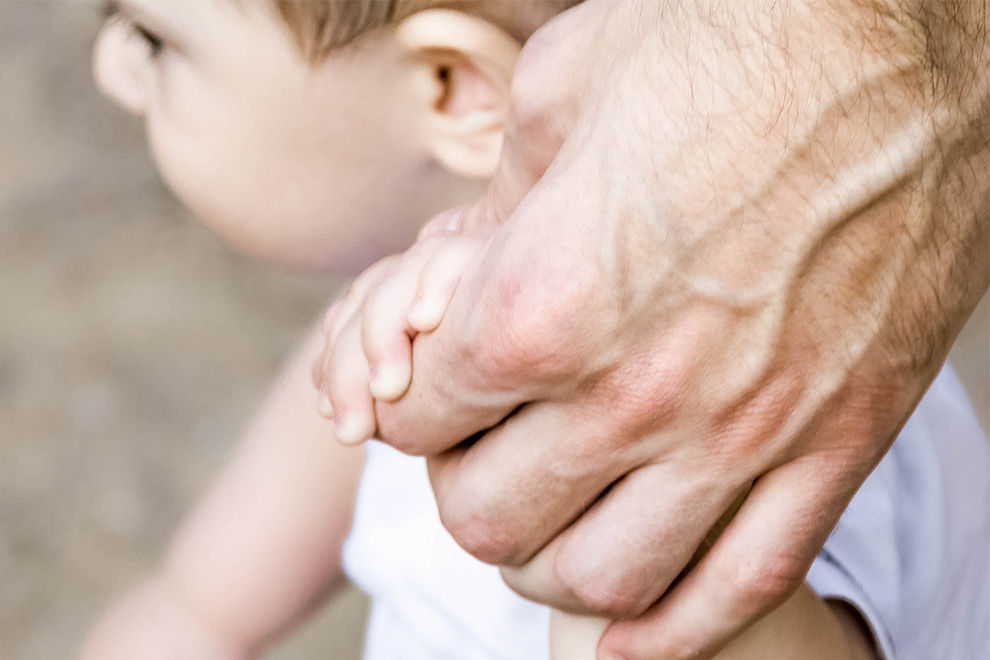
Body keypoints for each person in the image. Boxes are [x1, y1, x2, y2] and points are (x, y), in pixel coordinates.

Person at [78, 1, 986, 659]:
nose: (109, 70)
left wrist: (644, 547)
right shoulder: (386, 346)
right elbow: (197, 613)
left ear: (450, 87)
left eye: (157, 39)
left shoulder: (763, 405)